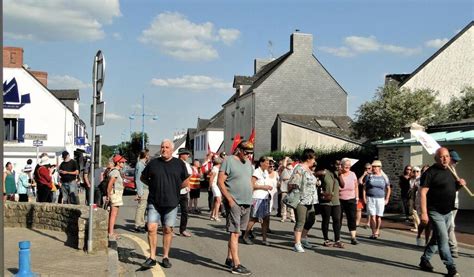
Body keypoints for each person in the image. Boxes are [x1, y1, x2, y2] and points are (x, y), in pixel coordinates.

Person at [140, 139, 190, 269]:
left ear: (172, 150)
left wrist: (175, 189)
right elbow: (143, 177)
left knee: (168, 229)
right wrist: (153, 185)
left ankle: (165, 257)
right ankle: (152, 257)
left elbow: (186, 180)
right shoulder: (153, 163)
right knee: (151, 228)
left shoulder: (179, 164)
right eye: (162, 147)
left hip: (172, 203)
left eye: (167, 147)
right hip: (154, 202)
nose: (164, 149)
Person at [419, 148, 465, 277]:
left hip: (448, 211)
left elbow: (451, 188)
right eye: (441, 157)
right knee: (443, 239)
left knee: (436, 238)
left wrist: (460, 185)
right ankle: (451, 268)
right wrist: (424, 213)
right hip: (435, 211)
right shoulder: (429, 173)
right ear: (436, 158)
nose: (445, 159)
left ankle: (424, 260)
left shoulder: (451, 170)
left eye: (447, 156)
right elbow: (422, 193)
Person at [218, 140, 254, 275]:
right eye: (246, 152)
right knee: (235, 232)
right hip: (234, 202)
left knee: (237, 232)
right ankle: (236, 264)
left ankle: (229, 258)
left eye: (251, 153)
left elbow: (249, 181)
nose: (248, 155)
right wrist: (229, 200)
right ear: (239, 149)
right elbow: (220, 182)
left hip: (246, 202)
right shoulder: (228, 160)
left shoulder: (249, 163)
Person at [288, 148, 318, 253]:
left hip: (311, 199)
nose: (315, 160)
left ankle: (303, 238)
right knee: (301, 221)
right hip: (301, 199)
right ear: (309, 158)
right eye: (314, 158)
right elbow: (292, 183)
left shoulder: (310, 169)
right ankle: (297, 243)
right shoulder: (299, 168)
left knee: (311, 219)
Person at [242, 156, 273, 246]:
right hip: (257, 197)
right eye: (266, 163)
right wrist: (264, 187)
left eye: (268, 163)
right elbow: (251, 185)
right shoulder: (256, 172)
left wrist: (268, 186)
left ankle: (264, 239)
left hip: (265, 198)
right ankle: (245, 236)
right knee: (254, 218)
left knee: (265, 219)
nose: (268, 165)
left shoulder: (265, 172)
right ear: (261, 163)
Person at [363, 160, 391, 239]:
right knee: (372, 216)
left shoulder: (384, 177)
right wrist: (364, 197)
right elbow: (364, 188)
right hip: (370, 198)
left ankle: (377, 230)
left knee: (378, 216)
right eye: (373, 166)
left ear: (380, 168)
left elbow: (388, 188)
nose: (374, 168)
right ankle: (373, 232)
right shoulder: (369, 176)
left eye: (375, 166)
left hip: (380, 199)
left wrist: (387, 198)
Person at [317, 163, 342, 248]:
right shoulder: (324, 172)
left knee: (337, 220)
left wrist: (340, 175)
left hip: (336, 201)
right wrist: (317, 182)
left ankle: (337, 240)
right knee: (326, 220)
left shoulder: (338, 173)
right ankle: (326, 239)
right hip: (326, 201)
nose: (338, 166)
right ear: (331, 164)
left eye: (340, 164)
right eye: (337, 164)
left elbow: (343, 184)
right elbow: (314, 174)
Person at [338, 158, 359, 245]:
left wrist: (357, 197)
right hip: (340, 199)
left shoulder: (353, 174)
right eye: (346, 165)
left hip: (351, 199)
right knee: (338, 218)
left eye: (349, 165)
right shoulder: (339, 175)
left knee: (352, 218)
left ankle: (353, 237)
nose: (348, 167)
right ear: (341, 166)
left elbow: (356, 186)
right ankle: (337, 236)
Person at [106, 154, 127, 240]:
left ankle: (111, 231)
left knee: (113, 214)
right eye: (122, 162)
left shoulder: (116, 171)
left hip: (116, 193)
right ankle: (110, 233)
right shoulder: (115, 172)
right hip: (115, 194)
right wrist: (108, 194)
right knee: (113, 214)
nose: (123, 163)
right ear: (118, 163)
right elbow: (110, 184)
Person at [447, 150, 461, 258]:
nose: (456, 163)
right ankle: (453, 248)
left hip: (455, 202)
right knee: (450, 225)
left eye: (457, 161)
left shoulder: (453, 169)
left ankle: (451, 248)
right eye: (454, 160)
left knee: (450, 225)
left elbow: (455, 187)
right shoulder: (446, 170)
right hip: (446, 202)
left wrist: (460, 184)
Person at [133, 150, 150, 233]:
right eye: (148, 154)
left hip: (145, 188)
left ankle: (142, 224)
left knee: (143, 208)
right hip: (143, 189)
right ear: (146, 155)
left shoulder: (142, 164)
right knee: (141, 207)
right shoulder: (140, 164)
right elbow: (138, 179)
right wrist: (139, 192)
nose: (149, 156)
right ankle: (137, 225)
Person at [177, 148, 193, 237]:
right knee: (171, 211)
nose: (188, 155)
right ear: (181, 154)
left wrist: (188, 186)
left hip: (184, 191)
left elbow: (189, 177)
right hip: (175, 190)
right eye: (186, 154)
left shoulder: (187, 164)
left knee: (185, 211)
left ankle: (183, 229)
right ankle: (168, 229)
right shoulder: (175, 163)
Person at [279, 157, 295, 222]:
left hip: (291, 189)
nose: (290, 165)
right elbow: (283, 165)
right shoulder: (283, 168)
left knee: (291, 204)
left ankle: (292, 217)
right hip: (284, 189)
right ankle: (283, 217)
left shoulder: (293, 169)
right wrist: (285, 159)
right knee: (284, 204)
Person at [357, 163, 372, 228]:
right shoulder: (362, 174)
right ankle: (357, 222)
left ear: (371, 168)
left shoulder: (373, 175)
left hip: (369, 194)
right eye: (366, 168)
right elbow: (358, 182)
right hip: (361, 194)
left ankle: (368, 223)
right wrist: (363, 174)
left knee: (369, 210)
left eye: (369, 168)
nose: (367, 170)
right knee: (358, 209)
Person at [209, 156, 223, 221]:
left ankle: (212, 215)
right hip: (214, 185)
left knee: (216, 200)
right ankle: (216, 216)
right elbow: (211, 178)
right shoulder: (215, 168)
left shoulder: (217, 168)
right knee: (218, 200)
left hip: (216, 185)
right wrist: (210, 186)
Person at [408, 166, 421, 233]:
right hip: (412, 198)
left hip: (419, 198)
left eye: (417, 171)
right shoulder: (411, 180)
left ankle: (419, 227)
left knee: (417, 212)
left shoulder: (421, 179)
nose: (415, 173)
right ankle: (416, 226)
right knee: (413, 213)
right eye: (414, 171)